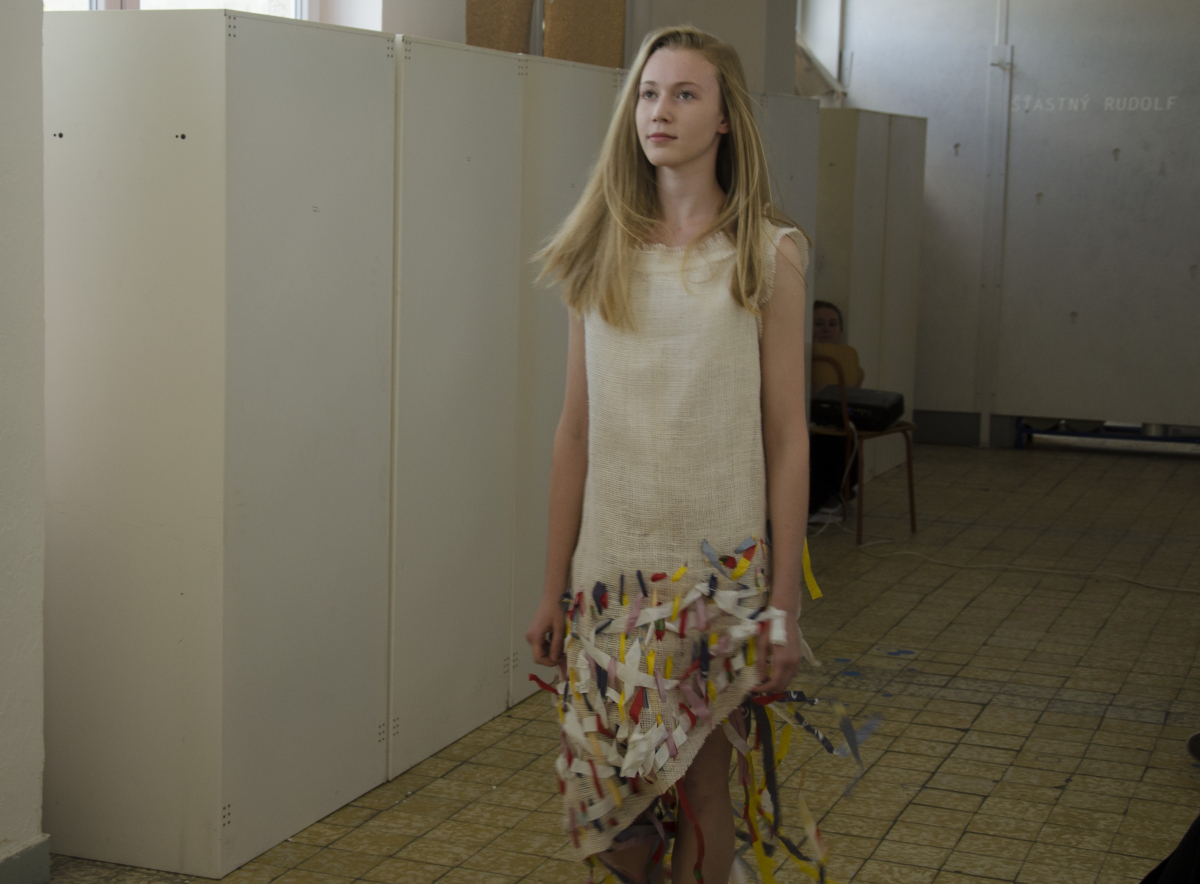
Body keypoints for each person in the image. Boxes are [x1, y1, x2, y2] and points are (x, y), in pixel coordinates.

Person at [524, 25, 817, 884]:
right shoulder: (597, 251)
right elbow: (575, 431)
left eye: (686, 94)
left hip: (715, 583)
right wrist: (552, 586)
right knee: (605, 812)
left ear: (724, 118)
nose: (661, 111)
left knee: (701, 792)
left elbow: (788, 436)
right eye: (649, 94)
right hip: (609, 581)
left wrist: (785, 603)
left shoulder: (767, 253)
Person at [808, 300, 863, 518]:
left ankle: (835, 493)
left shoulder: (851, 365)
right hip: (808, 423)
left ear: (840, 331)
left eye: (832, 324)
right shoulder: (797, 359)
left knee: (845, 437)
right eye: (818, 324)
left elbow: (843, 401)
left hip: (835, 424)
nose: (826, 329)